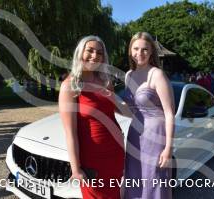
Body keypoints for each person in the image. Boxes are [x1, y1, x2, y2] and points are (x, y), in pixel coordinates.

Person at [59, 36, 124, 198]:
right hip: (92, 158)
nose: (95, 56)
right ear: (80, 52)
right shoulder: (70, 85)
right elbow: (70, 133)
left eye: (99, 53)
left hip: (115, 152)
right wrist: (76, 169)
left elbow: (118, 109)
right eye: (90, 50)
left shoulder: (105, 82)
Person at [123, 32, 174, 199]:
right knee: (135, 177)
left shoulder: (157, 74)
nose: (140, 53)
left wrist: (168, 149)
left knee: (154, 180)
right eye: (136, 48)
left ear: (151, 51)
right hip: (135, 135)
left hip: (155, 137)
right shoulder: (128, 75)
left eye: (145, 49)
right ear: (130, 51)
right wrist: (108, 99)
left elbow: (169, 113)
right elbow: (130, 110)